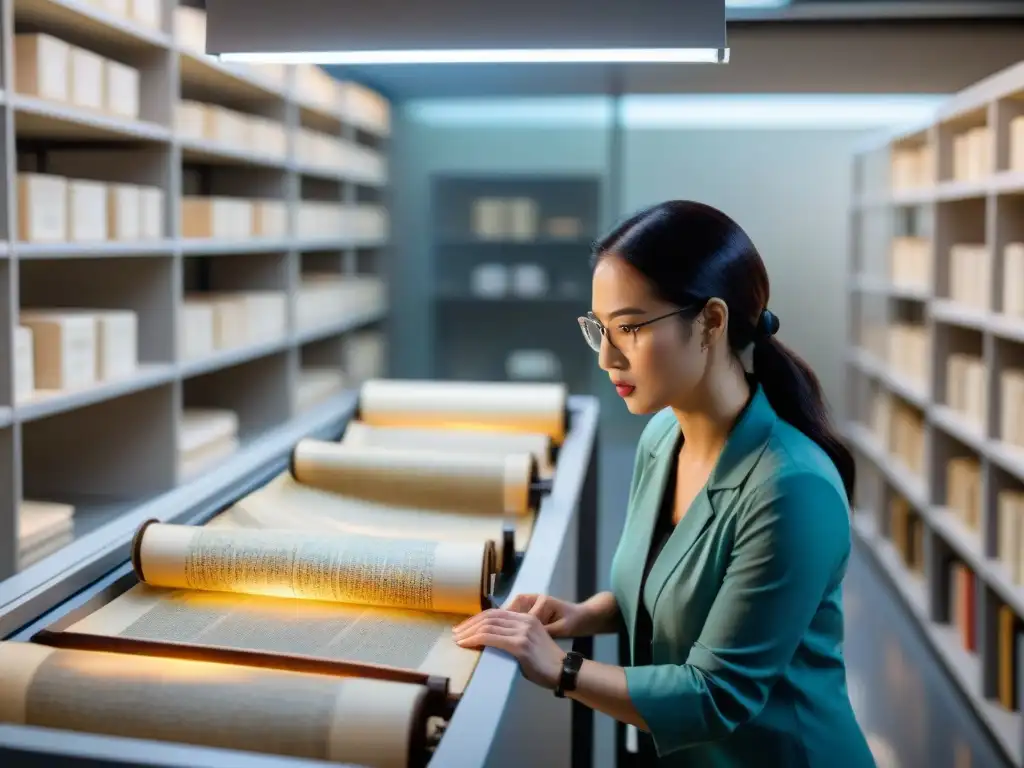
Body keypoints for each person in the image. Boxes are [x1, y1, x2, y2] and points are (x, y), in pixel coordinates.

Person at [452, 200, 877, 767]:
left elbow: (717, 694)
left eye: (628, 328)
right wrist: (586, 614)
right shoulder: (661, 438)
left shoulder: (792, 488)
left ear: (712, 321)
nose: (607, 357)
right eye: (599, 329)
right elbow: (670, 590)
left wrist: (562, 667)